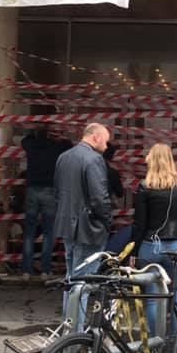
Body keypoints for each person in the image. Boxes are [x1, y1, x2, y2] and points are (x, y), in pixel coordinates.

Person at [131, 143, 177, 335]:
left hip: (150, 245)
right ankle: (176, 341)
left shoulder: (144, 187)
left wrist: (133, 251)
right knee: (176, 295)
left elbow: (139, 224)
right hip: (174, 245)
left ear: (151, 160)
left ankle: (156, 341)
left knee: (152, 298)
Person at [54, 123, 112, 316]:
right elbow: (99, 197)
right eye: (106, 140)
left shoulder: (64, 157)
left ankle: (69, 325)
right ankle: (75, 330)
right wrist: (107, 221)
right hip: (88, 228)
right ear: (96, 137)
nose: (107, 146)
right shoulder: (94, 159)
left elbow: (58, 192)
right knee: (82, 283)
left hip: (68, 225)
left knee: (71, 280)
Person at [21, 127, 70, 280]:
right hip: (50, 189)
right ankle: (45, 270)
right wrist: (58, 136)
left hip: (32, 188)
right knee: (49, 232)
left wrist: (32, 131)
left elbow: (25, 140)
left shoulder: (31, 146)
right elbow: (68, 145)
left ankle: (26, 270)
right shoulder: (55, 146)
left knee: (29, 232)